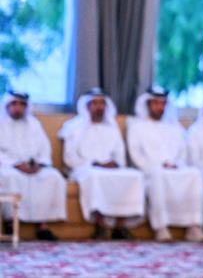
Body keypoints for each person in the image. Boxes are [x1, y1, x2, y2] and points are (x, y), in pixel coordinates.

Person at [59, 88, 145, 240]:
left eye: (102, 103)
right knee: (95, 177)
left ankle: (120, 226)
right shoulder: (74, 127)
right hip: (85, 168)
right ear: (87, 106)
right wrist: (94, 164)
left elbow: (119, 154)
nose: (99, 107)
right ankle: (100, 225)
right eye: (95, 103)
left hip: (111, 168)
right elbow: (70, 158)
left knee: (134, 176)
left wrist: (115, 163)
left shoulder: (112, 128)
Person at [127, 88, 203, 243]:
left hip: (175, 168)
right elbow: (135, 154)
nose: (160, 107)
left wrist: (176, 164)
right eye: (156, 103)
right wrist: (154, 167)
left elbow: (182, 152)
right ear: (148, 104)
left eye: (163, 104)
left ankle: (194, 226)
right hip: (152, 170)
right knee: (158, 175)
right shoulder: (137, 127)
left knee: (195, 174)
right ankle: (161, 228)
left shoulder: (174, 128)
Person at [0, 90, 66, 240]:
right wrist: (15, 164)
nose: (18, 108)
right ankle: (11, 223)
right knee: (9, 177)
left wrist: (39, 164)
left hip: (33, 167)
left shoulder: (35, 124)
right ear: (7, 106)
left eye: (22, 104)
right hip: (9, 167)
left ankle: (43, 226)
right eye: (14, 104)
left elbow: (44, 148)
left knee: (53, 176)